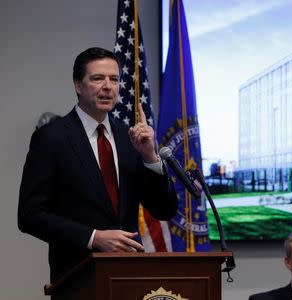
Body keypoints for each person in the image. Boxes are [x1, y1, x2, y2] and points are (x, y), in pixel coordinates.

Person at [18, 47, 178, 282]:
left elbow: (165, 210)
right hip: (78, 278)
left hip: (130, 277)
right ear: (78, 86)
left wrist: (150, 157)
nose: (107, 86)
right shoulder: (52, 138)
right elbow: (30, 215)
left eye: (114, 79)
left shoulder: (130, 137)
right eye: (97, 78)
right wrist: (94, 237)